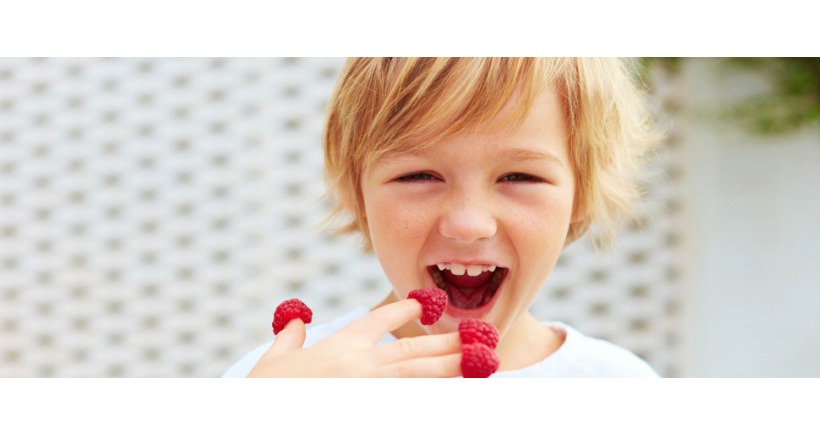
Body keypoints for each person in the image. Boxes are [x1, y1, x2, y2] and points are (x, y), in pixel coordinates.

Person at [223, 57, 661, 377]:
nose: (469, 224)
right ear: (354, 191)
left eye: (519, 176)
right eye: (419, 175)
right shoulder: (286, 380)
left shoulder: (621, 386)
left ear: (581, 192)